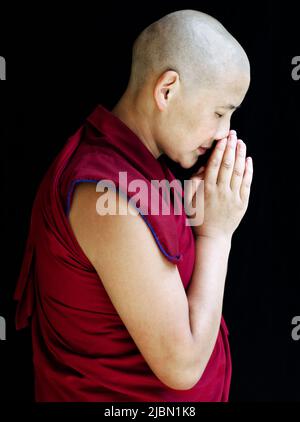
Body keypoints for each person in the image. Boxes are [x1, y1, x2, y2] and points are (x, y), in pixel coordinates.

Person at [14, 9, 252, 401]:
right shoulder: (106, 193)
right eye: (219, 112)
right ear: (167, 90)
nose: (223, 132)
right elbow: (182, 365)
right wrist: (216, 233)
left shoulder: (141, 167)